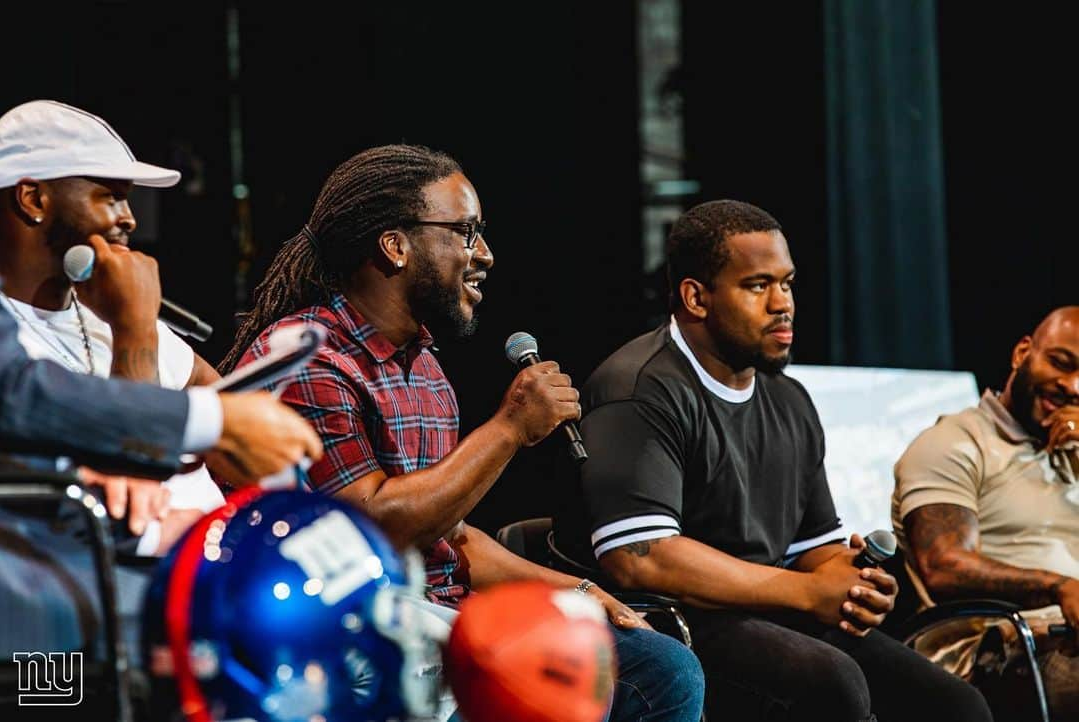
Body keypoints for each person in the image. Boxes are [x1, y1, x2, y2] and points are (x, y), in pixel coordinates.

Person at [222, 144, 704, 722]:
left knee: (659, 664)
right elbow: (369, 529)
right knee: (552, 680)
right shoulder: (310, 359)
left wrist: (576, 592)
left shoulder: (422, 363)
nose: (487, 256)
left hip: (443, 619)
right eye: (467, 232)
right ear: (396, 245)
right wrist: (508, 429)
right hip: (349, 634)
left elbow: (449, 535)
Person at [552, 199, 991, 721]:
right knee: (833, 684)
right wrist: (807, 592)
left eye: (787, 283)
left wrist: (851, 581)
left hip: (765, 606)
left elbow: (813, 545)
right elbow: (642, 556)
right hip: (669, 621)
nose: (782, 303)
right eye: (758, 286)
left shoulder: (790, 399)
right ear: (696, 297)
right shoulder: (639, 388)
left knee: (954, 705)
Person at [0, 99, 322, 545]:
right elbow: (129, 495)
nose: (128, 218)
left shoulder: (107, 313)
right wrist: (133, 327)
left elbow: (239, 434)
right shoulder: (18, 343)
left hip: (229, 562)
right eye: (111, 197)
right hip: (134, 585)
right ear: (34, 199)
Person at [894, 306, 1079, 719]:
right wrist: (1059, 587)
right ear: (1021, 353)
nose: (1073, 386)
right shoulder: (956, 442)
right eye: (1060, 364)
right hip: (992, 649)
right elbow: (944, 567)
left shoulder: (1073, 450)